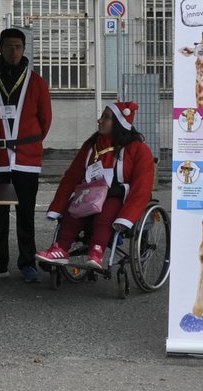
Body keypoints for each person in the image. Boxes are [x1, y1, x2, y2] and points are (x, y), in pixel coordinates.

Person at [0, 27, 53, 281]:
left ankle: (28, 264)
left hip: (26, 159)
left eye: (18, 46)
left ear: (24, 49)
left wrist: (26, 143)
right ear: (0, 48)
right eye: (9, 46)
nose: (13, 51)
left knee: (26, 214)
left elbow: (45, 119)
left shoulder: (36, 82)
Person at [37, 100, 155, 272]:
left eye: (105, 118)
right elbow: (72, 177)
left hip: (118, 196)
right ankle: (60, 249)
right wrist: (59, 206)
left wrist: (127, 217)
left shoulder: (139, 150)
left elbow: (142, 187)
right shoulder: (91, 146)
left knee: (106, 212)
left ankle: (97, 252)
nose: (99, 121)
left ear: (118, 123)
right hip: (90, 193)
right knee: (74, 211)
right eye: (102, 117)